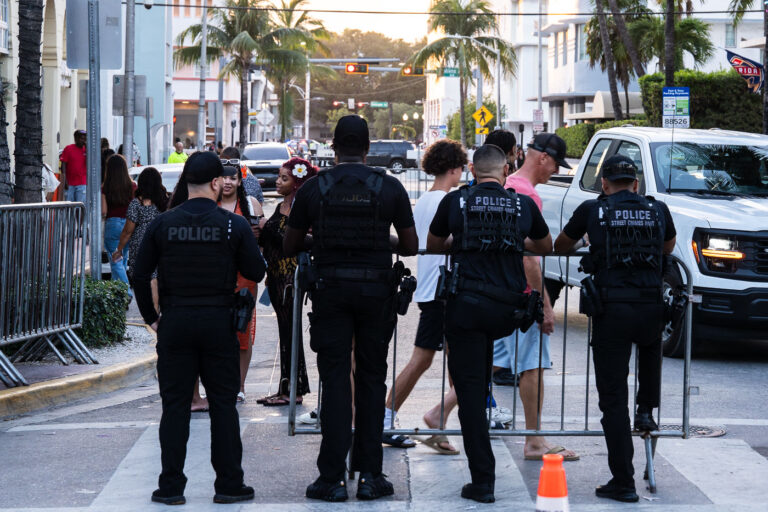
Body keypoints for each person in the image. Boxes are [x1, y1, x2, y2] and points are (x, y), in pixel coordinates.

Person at [283, 115, 418, 502]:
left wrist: (320, 240)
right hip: (376, 293)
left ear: (333, 146)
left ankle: (332, 477)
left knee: (336, 380)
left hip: (331, 292)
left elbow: (290, 246)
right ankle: (371, 475)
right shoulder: (389, 187)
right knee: (373, 381)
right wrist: (380, 240)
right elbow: (409, 246)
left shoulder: (314, 189)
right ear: (368, 145)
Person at [132, 151, 266, 505]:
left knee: (174, 406)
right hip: (218, 322)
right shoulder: (231, 224)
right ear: (215, 183)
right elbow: (256, 271)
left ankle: (171, 487)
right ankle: (228, 484)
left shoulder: (164, 223)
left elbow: (139, 273)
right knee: (223, 404)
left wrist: (151, 317)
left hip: (175, 321)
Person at [426, 144, 552, 504]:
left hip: (466, 309)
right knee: (481, 376)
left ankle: (483, 481)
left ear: (471, 169)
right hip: (505, 312)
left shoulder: (456, 203)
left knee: (470, 394)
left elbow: (435, 245)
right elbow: (543, 245)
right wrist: (512, 241)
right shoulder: (521, 205)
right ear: (506, 168)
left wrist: (464, 240)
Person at [554, 155, 676, 503]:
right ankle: (646, 410)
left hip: (612, 309)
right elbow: (667, 246)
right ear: (635, 184)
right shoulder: (658, 209)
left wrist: (589, 244)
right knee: (651, 351)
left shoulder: (593, 210)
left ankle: (623, 481)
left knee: (612, 399)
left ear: (604, 184)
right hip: (651, 306)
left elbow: (561, 245)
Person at [491, 132, 579, 461]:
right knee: (534, 365)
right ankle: (534, 440)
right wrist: (543, 304)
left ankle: (438, 414)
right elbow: (527, 255)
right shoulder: (523, 192)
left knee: (495, 361)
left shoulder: (509, 184)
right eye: (555, 165)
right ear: (542, 158)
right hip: (521, 293)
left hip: (507, 290)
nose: (555, 171)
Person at [381, 139, 466, 455]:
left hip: (433, 289)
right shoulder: (448, 201)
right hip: (444, 291)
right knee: (425, 359)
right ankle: (390, 415)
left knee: (452, 361)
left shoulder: (425, 200)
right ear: (454, 168)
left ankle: (439, 420)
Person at [256, 157, 317, 406]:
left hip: (290, 278)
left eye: (284, 178)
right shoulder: (282, 205)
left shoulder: (301, 209)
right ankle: (287, 387)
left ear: (296, 183)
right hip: (276, 277)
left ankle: (294, 389)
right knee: (285, 334)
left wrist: (264, 228)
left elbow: (297, 241)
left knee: (290, 334)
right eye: (279, 177)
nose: (277, 182)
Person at [217, 158, 265, 402]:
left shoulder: (250, 204)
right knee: (216, 331)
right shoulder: (208, 204)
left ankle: (240, 386)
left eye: (232, 177)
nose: (227, 182)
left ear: (239, 181)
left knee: (243, 330)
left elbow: (261, 240)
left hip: (244, 277)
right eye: (223, 177)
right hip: (214, 276)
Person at [114, 167, 168, 309]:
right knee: (156, 276)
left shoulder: (136, 204)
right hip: (161, 242)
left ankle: (153, 313)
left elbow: (127, 231)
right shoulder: (164, 200)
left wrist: (119, 249)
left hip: (142, 245)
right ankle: (157, 310)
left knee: (147, 279)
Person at [102, 154, 137, 288]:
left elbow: (104, 211)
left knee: (115, 259)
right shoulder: (133, 186)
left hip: (113, 223)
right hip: (129, 224)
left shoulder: (105, 187)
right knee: (123, 258)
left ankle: (126, 291)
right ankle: (117, 292)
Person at [60, 129, 88, 203]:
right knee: (69, 206)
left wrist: (87, 150)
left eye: (85, 139)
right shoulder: (68, 149)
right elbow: (63, 165)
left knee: (80, 205)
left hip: (82, 183)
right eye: (82, 138)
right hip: (70, 183)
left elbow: (90, 164)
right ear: (76, 138)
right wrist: (64, 180)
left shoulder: (87, 150)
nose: (83, 141)